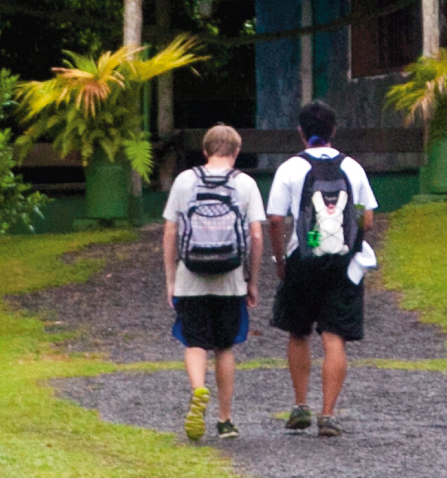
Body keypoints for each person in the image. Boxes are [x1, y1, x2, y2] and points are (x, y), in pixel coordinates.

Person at [262, 101, 376, 437]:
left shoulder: (290, 168)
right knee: (334, 335)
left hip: (302, 260)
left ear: (300, 132)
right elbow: (367, 217)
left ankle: (300, 406)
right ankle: (328, 414)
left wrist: (280, 259)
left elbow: (275, 218)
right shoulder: (352, 167)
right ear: (333, 131)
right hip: (343, 261)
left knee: (299, 331)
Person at [161, 121, 263, 442]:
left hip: (190, 277)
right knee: (224, 347)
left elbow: (170, 232)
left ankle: (198, 389)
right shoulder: (245, 184)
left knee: (195, 343)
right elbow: (256, 235)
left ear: (205, 151)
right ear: (236, 151)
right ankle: (225, 420)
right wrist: (252, 279)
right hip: (230, 279)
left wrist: (170, 279)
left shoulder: (184, 181)